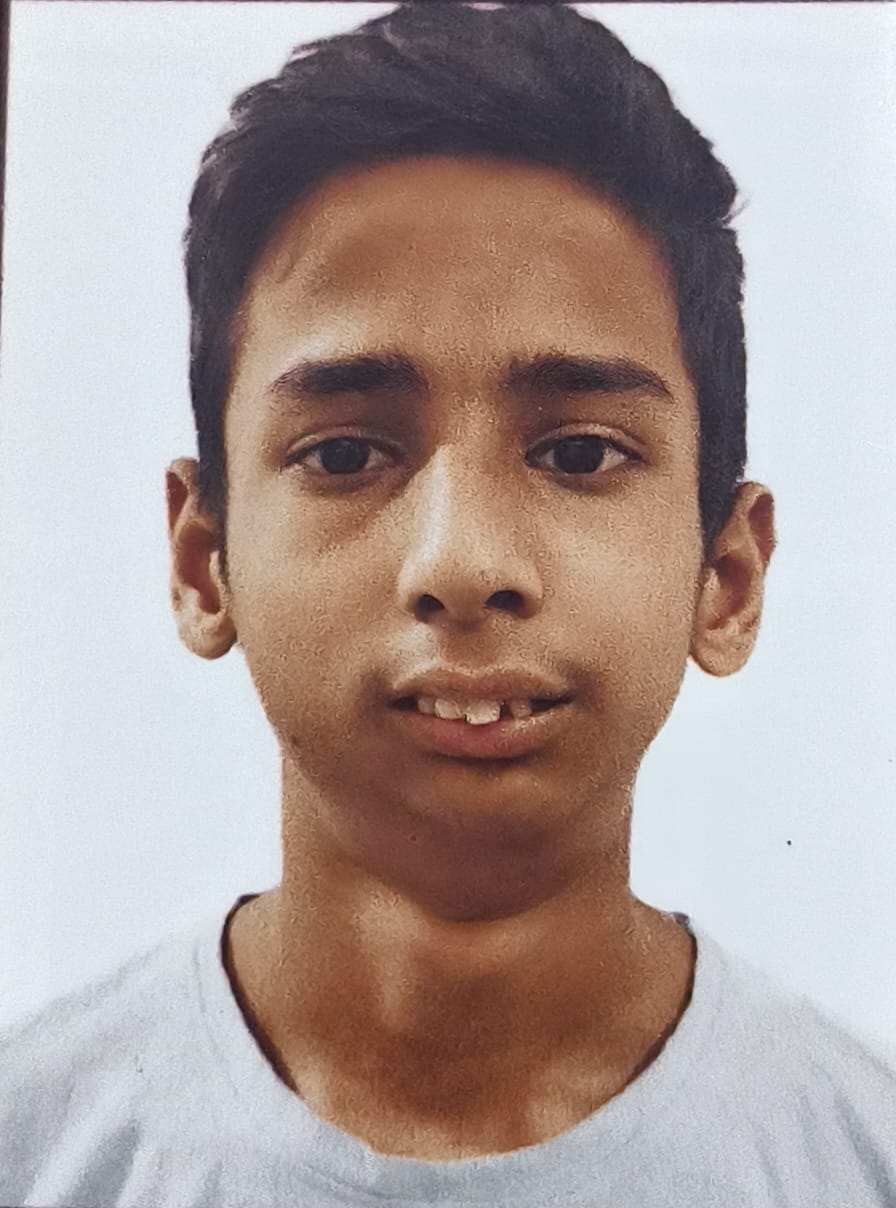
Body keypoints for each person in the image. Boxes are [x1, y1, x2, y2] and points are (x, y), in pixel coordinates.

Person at [1, 4, 894, 1206]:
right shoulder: (34, 1147)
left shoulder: (858, 1156)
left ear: (724, 575)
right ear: (204, 557)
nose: (462, 561)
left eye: (578, 453)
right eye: (344, 453)